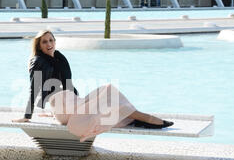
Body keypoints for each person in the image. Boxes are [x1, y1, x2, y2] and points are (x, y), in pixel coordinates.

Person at [12, 30, 173, 142]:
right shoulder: (38, 61)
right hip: (64, 108)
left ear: (55, 41)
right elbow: (34, 89)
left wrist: (58, 108)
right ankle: (144, 118)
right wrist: (27, 116)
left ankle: (135, 118)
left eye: (51, 40)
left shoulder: (59, 57)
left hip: (71, 103)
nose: (49, 44)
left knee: (108, 91)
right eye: (44, 41)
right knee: (108, 95)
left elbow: (69, 85)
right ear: (39, 45)